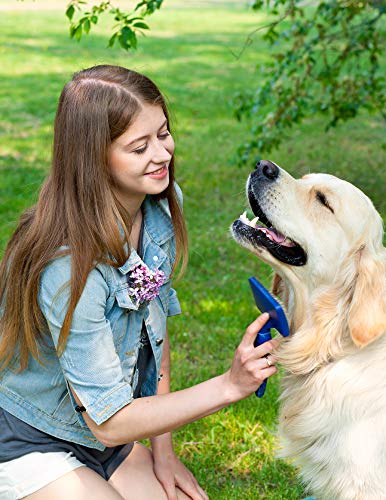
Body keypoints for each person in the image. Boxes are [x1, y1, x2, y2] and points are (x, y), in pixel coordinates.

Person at [0, 65, 278, 499]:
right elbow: (109, 422)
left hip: (101, 435)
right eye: (139, 146)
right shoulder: (68, 266)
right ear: (93, 157)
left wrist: (162, 453)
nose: (163, 154)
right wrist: (228, 386)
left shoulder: (159, 209)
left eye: (163, 134)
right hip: (30, 437)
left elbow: (154, 336)